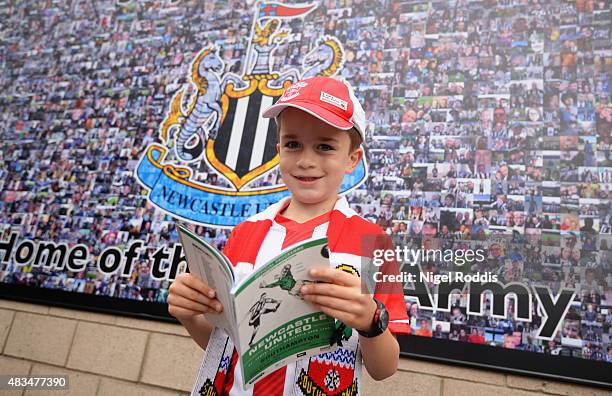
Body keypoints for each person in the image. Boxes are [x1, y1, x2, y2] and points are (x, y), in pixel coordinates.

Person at [167, 76, 409, 395]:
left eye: (324, 146)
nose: (306, 160)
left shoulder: (374, 241)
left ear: (353, 158)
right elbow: (230, 349)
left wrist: (371, 321)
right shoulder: (245, 232)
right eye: (293, 144)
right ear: (279, 149)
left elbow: (385, 368)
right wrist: (189, 315)